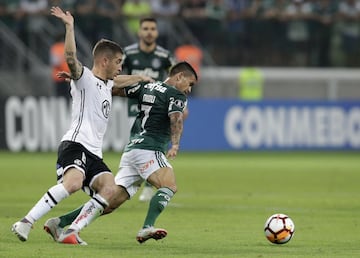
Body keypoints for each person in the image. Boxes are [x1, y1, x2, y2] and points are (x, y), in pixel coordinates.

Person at [11, 6, 152, 245]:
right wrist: (69, 26)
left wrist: (140, 78)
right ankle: (25, 221)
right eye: (118, 62)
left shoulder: (107, 83)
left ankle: (68, 228)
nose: (120, 67)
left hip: (94, 153)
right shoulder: (83, 77)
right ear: (104, 60)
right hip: (75, 145)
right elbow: (70, 60)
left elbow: (118, 80)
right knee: (73, 184)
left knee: (110, 190)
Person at [43, 61, 198, 244]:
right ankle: (147, 227)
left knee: (109, 203)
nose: (189, 90)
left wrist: (84, 80)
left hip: (132, 150)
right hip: (149, 149)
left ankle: (62, 223)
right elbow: (176, 118)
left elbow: (112, 86)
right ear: (179, 76)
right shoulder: (176, 94)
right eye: (190, 84)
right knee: (169, 185)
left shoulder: (148, 86)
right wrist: (175, 144)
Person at [122, 16, 177, 202]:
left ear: (157, 32)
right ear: (139, 32)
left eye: (152, 29)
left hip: (157, 110)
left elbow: (177, 78)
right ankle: (133, 182)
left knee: (155, 147)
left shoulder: (164, 56)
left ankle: (146, 185)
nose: (149, 32)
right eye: (145, 28)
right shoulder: (128, 54)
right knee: (137, 146)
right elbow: (118, 77)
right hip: (134, 108)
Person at [49, 33, 71, 99]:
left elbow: (54, 61)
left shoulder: (54, 48)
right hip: (64, 75)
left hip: (59, 75)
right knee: (65, 95)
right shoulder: (63, 47)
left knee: (61, 95)